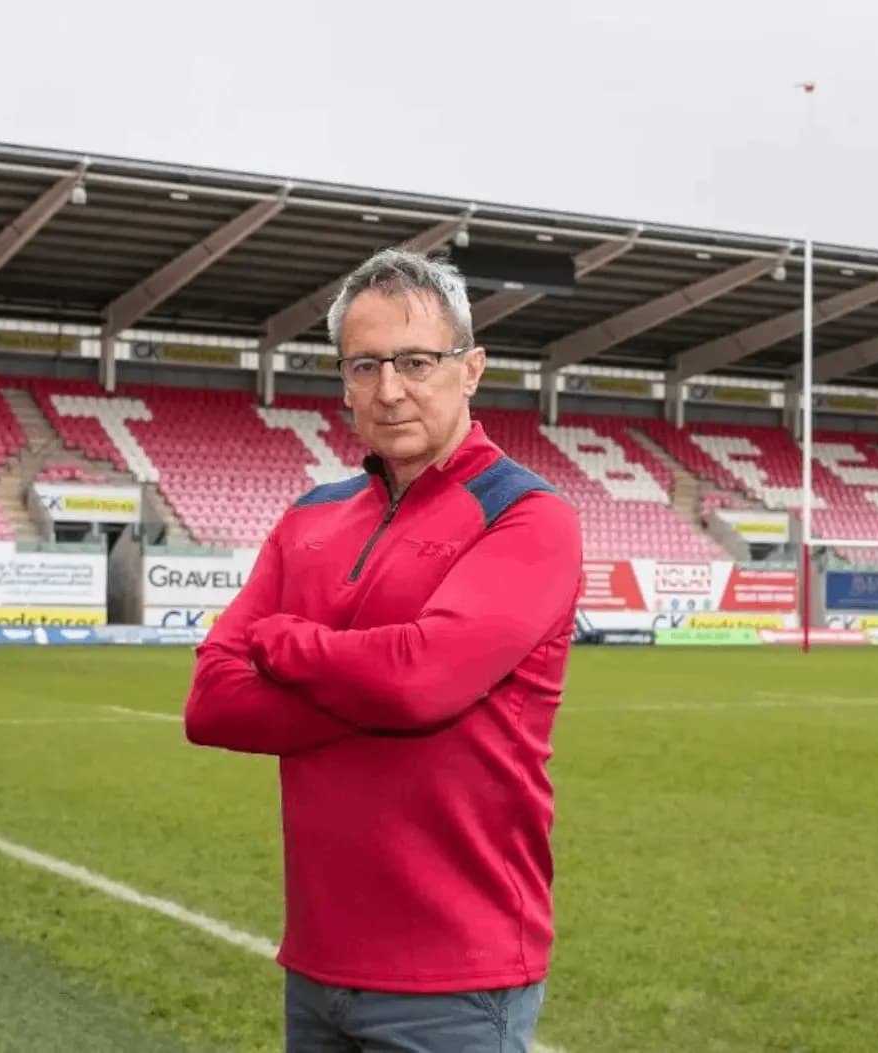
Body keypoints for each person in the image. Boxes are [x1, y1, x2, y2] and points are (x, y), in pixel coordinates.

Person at [183, 246, 582, 1052]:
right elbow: (211, 703)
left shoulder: (529, 518)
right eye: (365, 365)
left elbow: (417, 684)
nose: (390, 389)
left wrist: (282, 640)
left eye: (416, 360)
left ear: (470, 369)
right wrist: (379, 681)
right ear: (342, 380)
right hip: (318, 961)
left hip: (457, 971)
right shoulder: (310, 516)